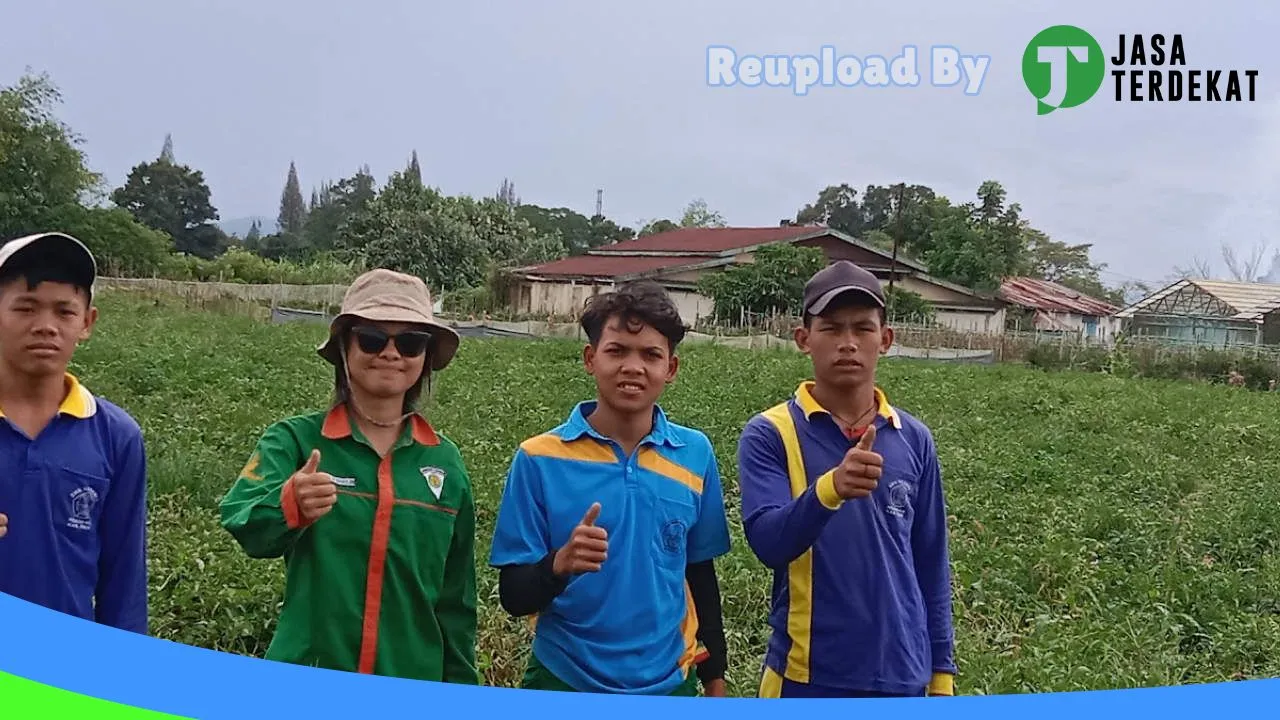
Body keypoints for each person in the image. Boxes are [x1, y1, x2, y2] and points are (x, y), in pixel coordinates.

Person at [219, 268, 479, 684]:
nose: (391, 353)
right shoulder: (296, 441)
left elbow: (456, 601)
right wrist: (290, 503)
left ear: (426, 357)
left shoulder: (445, 463)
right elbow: (242, 519)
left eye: (410, 342)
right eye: (373, 338)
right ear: (344, 347)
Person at [489, 281, 731, 696]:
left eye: (651, 355)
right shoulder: (538, 459)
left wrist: (715, 678)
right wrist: (559, 564)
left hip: (670, 681)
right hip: (564, 679)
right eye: (616, 351)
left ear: (670, 368)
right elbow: (514, 596)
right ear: (590, 358)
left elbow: (699, 574)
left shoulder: (694, 454)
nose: (633, 367)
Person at [737, 260, 956, 698]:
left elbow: (930, 560)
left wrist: (942, 671)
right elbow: (768, 542)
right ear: (804, 339)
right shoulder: (771, 433)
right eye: (832, 329)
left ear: (886, 340)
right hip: (808, 676)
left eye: (863, 329)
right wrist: (829, 488)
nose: (848, 344)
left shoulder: (912, 438)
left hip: (903, 674)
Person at [0, 232, 149, 634]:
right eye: (26, 308)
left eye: (64, 312)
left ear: (87, 323)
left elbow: (125, 581)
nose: (45, 326)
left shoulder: (116, 437)